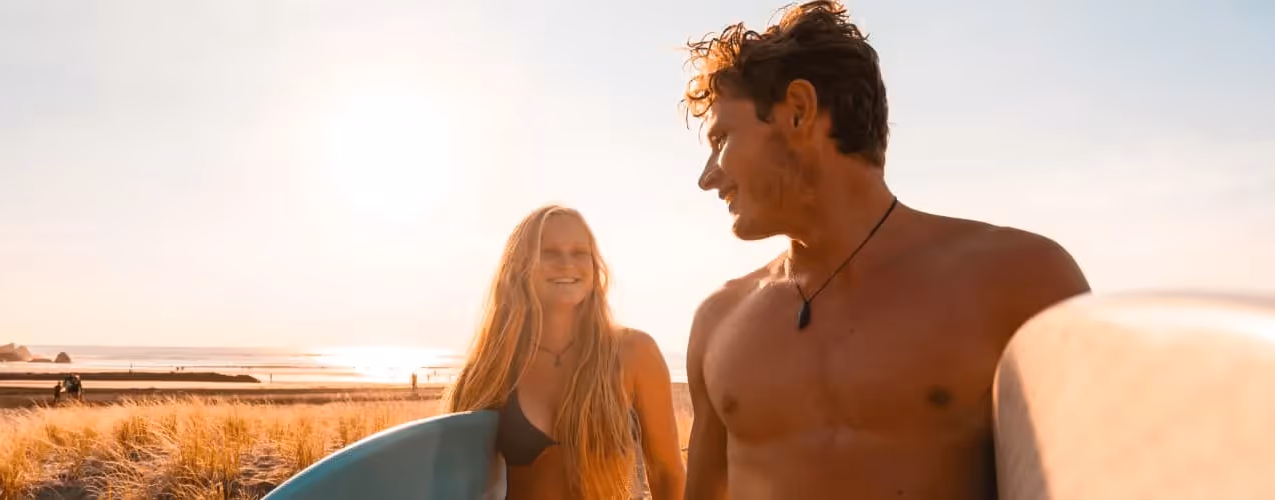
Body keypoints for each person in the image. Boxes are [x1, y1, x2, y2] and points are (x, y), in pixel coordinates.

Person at [679, 2, 1092, 499]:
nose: (707, 179)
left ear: (799, 111)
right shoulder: (717, 321)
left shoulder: (1020, 279)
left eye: (721, 138)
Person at [444, 205, 685, 500]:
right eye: (549, 252)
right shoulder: (492, 369)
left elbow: (668, 473)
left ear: (595, 266)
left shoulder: (634, 353)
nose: (567, 264)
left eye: (579, 253)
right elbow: (456, 483)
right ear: (519, 266)